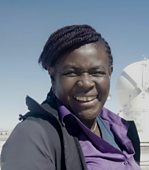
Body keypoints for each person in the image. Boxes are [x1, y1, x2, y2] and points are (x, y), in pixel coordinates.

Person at [1, 24, 140, 170]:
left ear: (109, 73)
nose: (86, 83)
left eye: (97, 72)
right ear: (53, 76)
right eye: (71, 73)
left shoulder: (119, 129)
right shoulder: (33, 137)